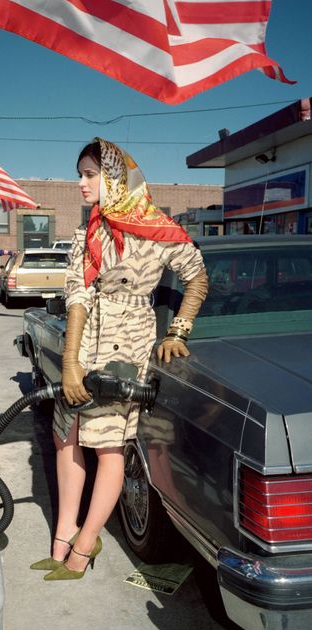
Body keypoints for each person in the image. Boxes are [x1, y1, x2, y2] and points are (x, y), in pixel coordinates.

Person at [30, 138, 208, 581]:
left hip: (127, 344)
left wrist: (177, 331)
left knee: (109, 446)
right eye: (80, 174)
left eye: (90, 174)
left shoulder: (158, 229)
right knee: (65, 435)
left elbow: (198, 277)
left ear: (114, 178)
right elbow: (76, 293)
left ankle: (86, 543)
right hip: (86, 334)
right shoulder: (90, 231)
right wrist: (70, 361)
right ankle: (63, 534)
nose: (81, 183)